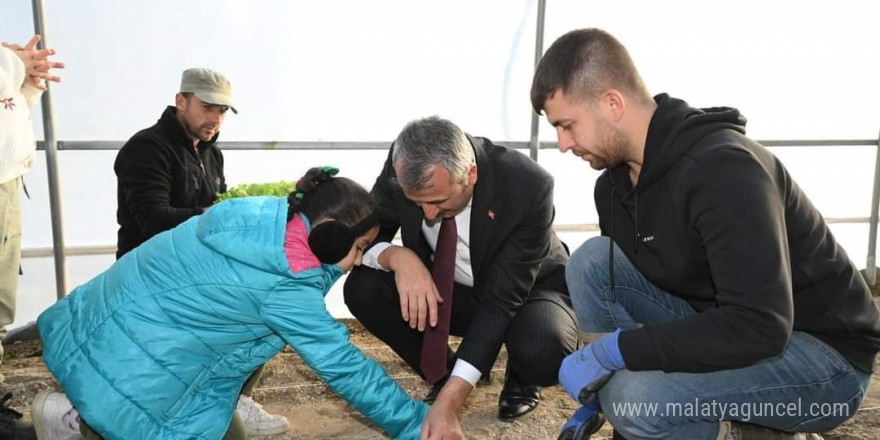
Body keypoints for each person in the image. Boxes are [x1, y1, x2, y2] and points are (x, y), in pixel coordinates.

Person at [530, 28, 880, 440]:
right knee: (591, 261)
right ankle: (612, 400)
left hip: (823, 359)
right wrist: (601, 387)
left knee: (634, 400)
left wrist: (617, 351)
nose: (563, 144)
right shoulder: (612, 187)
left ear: (612, 104)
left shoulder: (725, 169)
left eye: (567, 125)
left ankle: (746, 433)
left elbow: (760, 325)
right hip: (725, 326)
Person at [30, 167, 428, 440]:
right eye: (358, 248)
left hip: (104, 318)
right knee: (139, 420)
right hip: (135, 359)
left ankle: (83, 405)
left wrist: (390, 257)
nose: (358, 259)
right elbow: (345, 367)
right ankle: (73, 417)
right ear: (330, 238)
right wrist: (415, 424)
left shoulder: (265, 216)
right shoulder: (283, 288)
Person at [344, 116, 579, 438]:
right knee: (363, 288)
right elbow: (368, 233)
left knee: (542, 348)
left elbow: (503, 299)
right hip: (453, 289)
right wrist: (398, 257)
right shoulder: (405, 164)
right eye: (417, 203)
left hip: (527, 292)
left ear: (470, 174)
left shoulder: (527, 184)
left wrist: (451, 403)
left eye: (439, 201)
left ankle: (522, 376)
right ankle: (446, 373)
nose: (428, 214)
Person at [0, 34, 62, 440]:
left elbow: (8, 113)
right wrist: (14, 63)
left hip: (6, 179)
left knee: (1, 301)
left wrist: (26, 84)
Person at [114, 67, 232, 259]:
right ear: (181, 102)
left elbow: (219, 206)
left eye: (222, 110)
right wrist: (212, 214)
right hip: (147, 267)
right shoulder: (147, 147)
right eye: (207, 107)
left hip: (193, 265)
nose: (215, 119)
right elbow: (153, 221)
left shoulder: (213, 154)